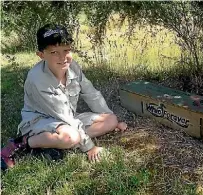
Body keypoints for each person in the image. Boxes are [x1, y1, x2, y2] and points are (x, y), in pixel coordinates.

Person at [1, 24, 127, 170]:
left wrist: (112, 118)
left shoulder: (73, 67)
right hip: (40, 120)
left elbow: (91, 94)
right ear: (41, 55)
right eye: (54, 52)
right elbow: (64, 115)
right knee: (70, 137)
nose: (63, 57)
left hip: (66, 118)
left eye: (66, 50)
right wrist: (90, 147)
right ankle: (23, 142)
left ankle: (54, 145)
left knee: (110, 120)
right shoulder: (37, 79)